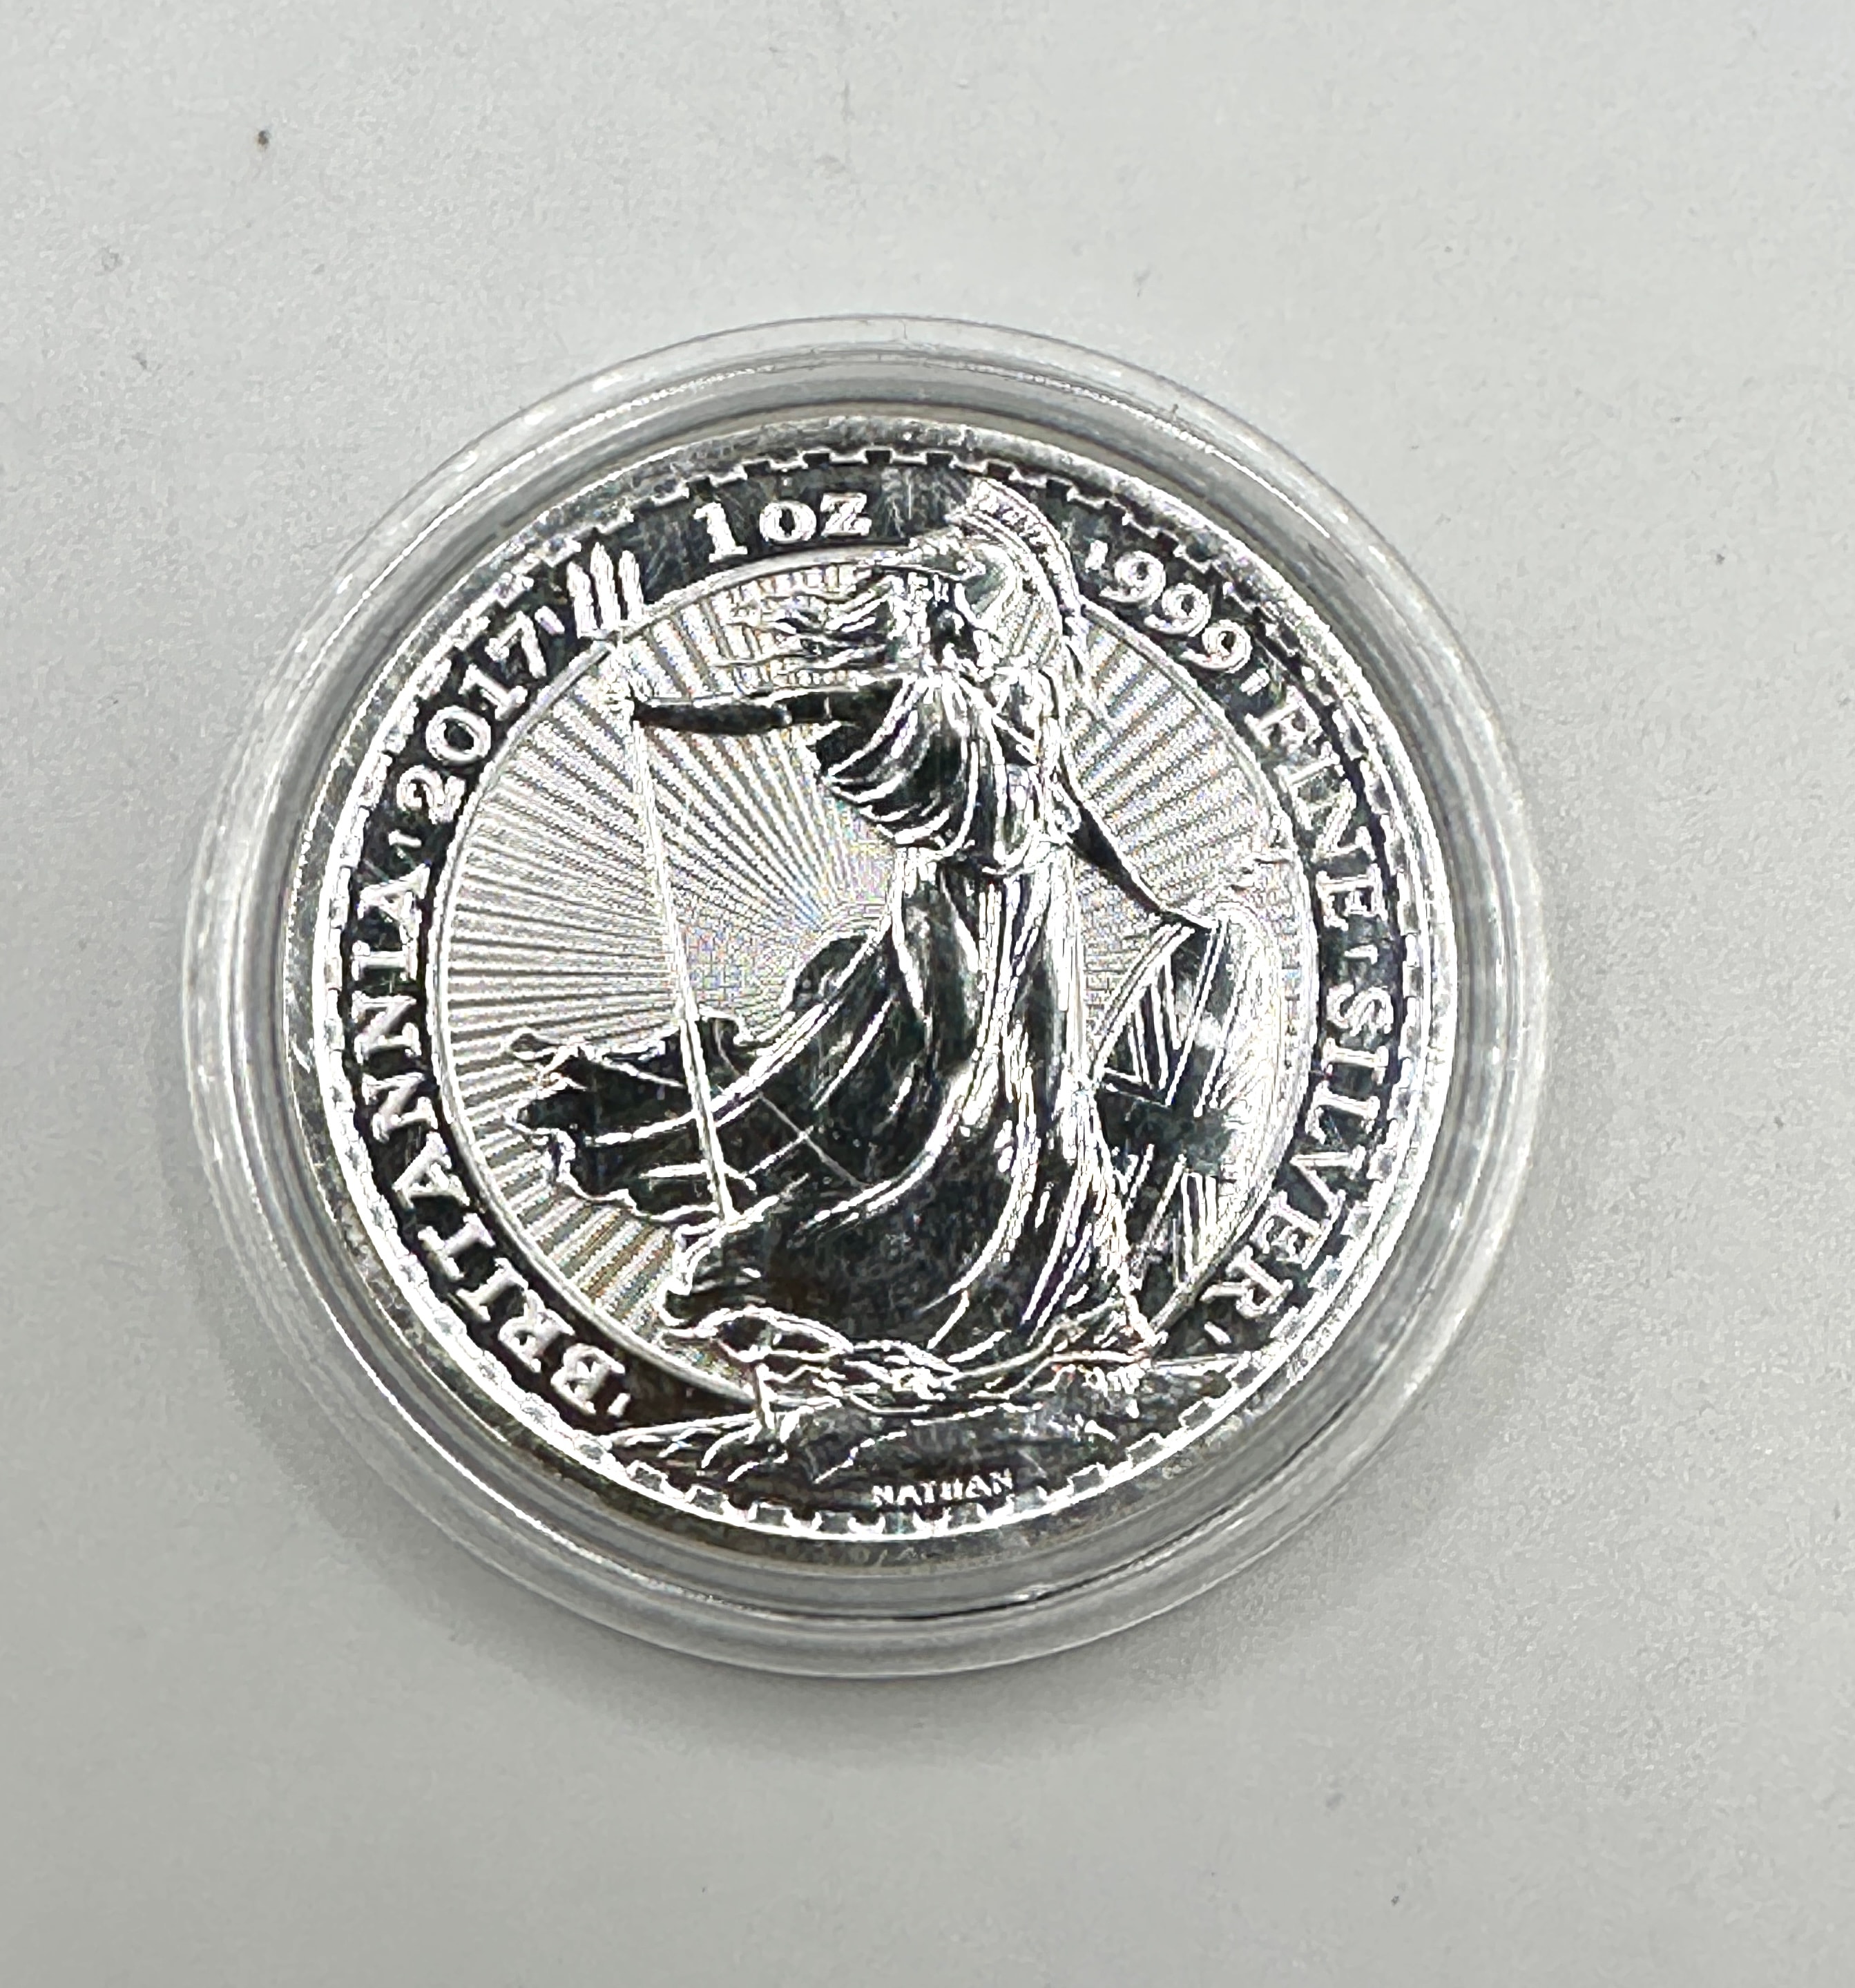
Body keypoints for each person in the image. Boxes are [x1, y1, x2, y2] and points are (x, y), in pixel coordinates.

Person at [514, 481, 1202, 1410]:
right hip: (948, 900)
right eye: (959, 596)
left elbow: (1066, 808)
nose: (969, 613)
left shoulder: (1031, 694)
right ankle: (911, 1263)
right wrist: (657, 712)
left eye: (980, 594)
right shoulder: (908, 689)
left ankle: (1074, 1296)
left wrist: (1150, 900)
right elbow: (780, 706)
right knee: (952, 1076)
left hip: (1037, 901)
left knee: (1049, 1089)